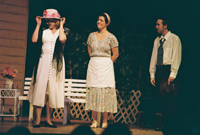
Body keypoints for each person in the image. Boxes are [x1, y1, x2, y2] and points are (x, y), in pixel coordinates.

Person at [28, 9, 69, 128]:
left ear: (55, 21)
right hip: (43, 62)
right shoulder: (44, 32)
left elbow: (62, 39)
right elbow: (34, 40)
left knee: (51, 92)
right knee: (40, 90)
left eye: (49, 21)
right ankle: (37, 120)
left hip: (56, 64)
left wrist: (61, 25)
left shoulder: (62, 31)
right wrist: (38, 24)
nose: (48, 23)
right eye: (47, 21)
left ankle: (48, 120)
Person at [85, 13, 119, 128]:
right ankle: (94, 120)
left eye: (101, 20)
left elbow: (115, 54)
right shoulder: (91, 36)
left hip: (106, 67)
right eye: (98, 20)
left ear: (107, 23)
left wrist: (107, 64)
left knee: (105, 91)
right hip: (94, 65)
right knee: (94, 90)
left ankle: (105, 121)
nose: (98, 22)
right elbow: (89, 51)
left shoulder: (111, 37)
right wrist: (96, 61)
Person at [149, 17, 182, 130]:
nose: (156, 27)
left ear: (165, 25)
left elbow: (176, 56)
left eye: (158, 24)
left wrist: (173, 73)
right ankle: (164, 124)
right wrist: (152, 74)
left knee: (170, 99)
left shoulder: (174, 39)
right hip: (159, 70)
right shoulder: (157, 40)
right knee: (160, 99)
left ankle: (170, 125)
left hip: (168, 70)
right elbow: (153, 57)